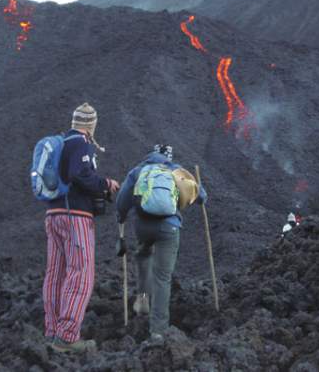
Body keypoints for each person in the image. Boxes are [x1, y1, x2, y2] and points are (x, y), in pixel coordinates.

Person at [43, 103, 120, 353]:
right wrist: (106, 183)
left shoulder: (61, 142)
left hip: (54, 214)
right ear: (91, 125)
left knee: (56, 274)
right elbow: (80, 175)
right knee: (81, 273)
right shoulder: (80, 143)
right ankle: (67, 337)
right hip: (74, 217)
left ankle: (53, 331)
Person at [115, 144, 207, 341]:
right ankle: (158, 330)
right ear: (169, 157)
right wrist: (199, 195)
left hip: (143, 226)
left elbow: (122, 200)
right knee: (162, 277)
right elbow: (201, 196)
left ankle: (142, 300)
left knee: (143, 254)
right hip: (168, 228)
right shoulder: (176, 170)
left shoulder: (139, 170)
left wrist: (121, 218)